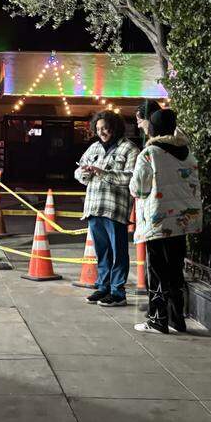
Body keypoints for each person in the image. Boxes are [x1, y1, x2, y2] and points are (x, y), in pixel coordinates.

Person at [129, 108, 203, 333]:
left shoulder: (150, 153)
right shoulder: (187, 152)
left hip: (158, 221)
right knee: (174, 269)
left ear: (153, 128)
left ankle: (158, 320)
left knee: (157, 271)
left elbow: (138, 188)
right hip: (182, 221)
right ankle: (176, 319)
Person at [75, 110, 141, 306]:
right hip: (94, 207)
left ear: (114, 127)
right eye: (98, 129)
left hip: (115, 209)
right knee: (102, 251)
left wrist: (103, 173)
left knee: (118, 251)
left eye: (105, 128)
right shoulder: (94, 147)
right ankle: (103, 287)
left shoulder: (130, 149)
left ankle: (118, 292)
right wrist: (85, 173)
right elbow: (78, 172)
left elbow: (131, 177)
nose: (102, 132)